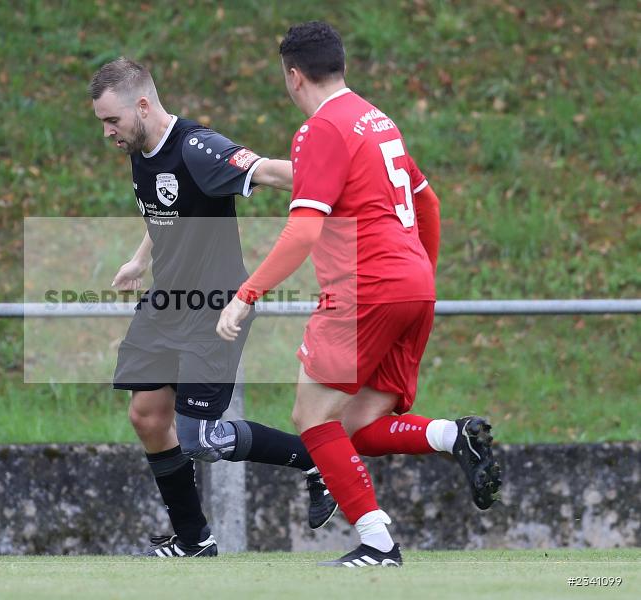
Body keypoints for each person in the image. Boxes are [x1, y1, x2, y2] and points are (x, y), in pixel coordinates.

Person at [217, 22, 501, 567]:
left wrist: (246, 294)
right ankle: (452, 436)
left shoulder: (320, 128)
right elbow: (429, 204)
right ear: (340, 65)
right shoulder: (378, 120)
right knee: (354, 427)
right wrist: (419, 275)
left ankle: (378, 542)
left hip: (364, 289)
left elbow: (302, 231)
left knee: (312, 417)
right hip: (412, 285)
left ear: (293, 76)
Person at [89, 57, 338, 558]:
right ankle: (194, 540)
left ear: (143, 105)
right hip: (166, 303)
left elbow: (269, 171)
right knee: (147, 416)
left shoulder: (199, 148)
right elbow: (168, 209)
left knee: (201, 438)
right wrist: (140, 259)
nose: (107, 132)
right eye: (102, 122)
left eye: (112, 120)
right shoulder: (140, 147)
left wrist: (348, 179)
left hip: (213, 308)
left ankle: (318, 461)